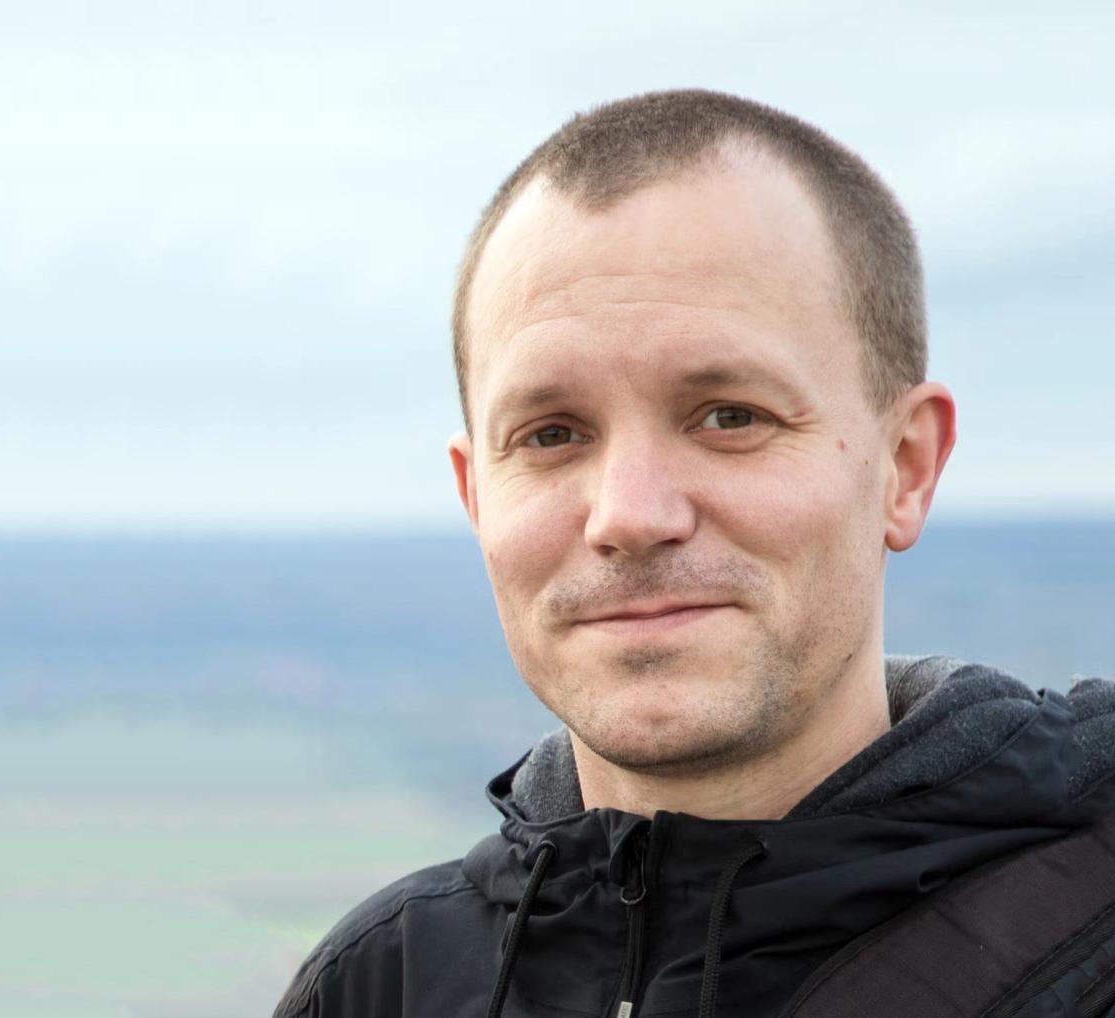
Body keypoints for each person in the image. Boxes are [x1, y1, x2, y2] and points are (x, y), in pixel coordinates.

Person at [272, 89, 1115, 1018]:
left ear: (905, 467)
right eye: (551, 435)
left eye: (729, 417)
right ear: (477, 498)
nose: (630, 515)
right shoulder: (381, 985)